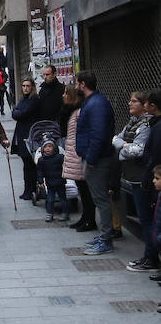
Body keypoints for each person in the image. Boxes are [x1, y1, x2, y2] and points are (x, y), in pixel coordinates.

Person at [75, 71, 116, 256]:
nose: (75, 87)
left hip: (97, 159)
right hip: (93, 157)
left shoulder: (96, 104)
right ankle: (104, 235)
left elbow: (98, 134)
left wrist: (91, 159)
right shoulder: (93, 102)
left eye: (77, 83)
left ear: (83, 84)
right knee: (98, 198)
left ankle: (107, 239)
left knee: (101, 199)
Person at [112, 91, 152, 260]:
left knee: (146, 218)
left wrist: (123, 147)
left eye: (134, 101)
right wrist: (125, 145)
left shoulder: (146, 126)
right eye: (130, 100)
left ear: (145, 105)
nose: (129, 103)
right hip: (130, 176)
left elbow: (137, 151)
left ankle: (150, 257)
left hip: (140, 177)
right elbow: (115, 140)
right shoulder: (132, 123)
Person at [131, 89, 161, 271]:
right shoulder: (153, 124)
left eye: (146, 103)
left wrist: (150, 177)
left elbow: (150, 154)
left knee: (150, 220)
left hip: (151, 179)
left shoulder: (156, 127)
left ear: (152, 105)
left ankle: (151, 258)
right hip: (151, 177)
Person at [61, 85, 94, 232]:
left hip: (79, 154)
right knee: (82, 188)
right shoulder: (71, 111)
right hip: (74, 153)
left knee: (85, 190)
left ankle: (89, 220)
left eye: (66, 93)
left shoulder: (79, 113)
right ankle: (85, 218)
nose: (63, 95)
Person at [11, 78, 40, 201]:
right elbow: (15, 113)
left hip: (29, 135)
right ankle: (27, 190)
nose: (25, 88)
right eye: (23, 86)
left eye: (28, 86)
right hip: (22, 134)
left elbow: (21, 113)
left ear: (32, 87)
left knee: (30, 164)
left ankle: (31, 189)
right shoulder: (24, 99)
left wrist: (17, 112)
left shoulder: (34, 100)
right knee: (27, 165)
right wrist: (17, 112)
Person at [35, 138, 68, 222]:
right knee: (50, 199)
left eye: (50, 146)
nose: (48, 149)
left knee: (62, 198)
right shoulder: (42, 160)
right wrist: (40, 181)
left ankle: (65, 213)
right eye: (45, 147)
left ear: (54, 148)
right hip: (50, 183)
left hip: (60, 181)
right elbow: (40, 171)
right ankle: (50, 213)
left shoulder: (60, 158)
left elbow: (65, 166)